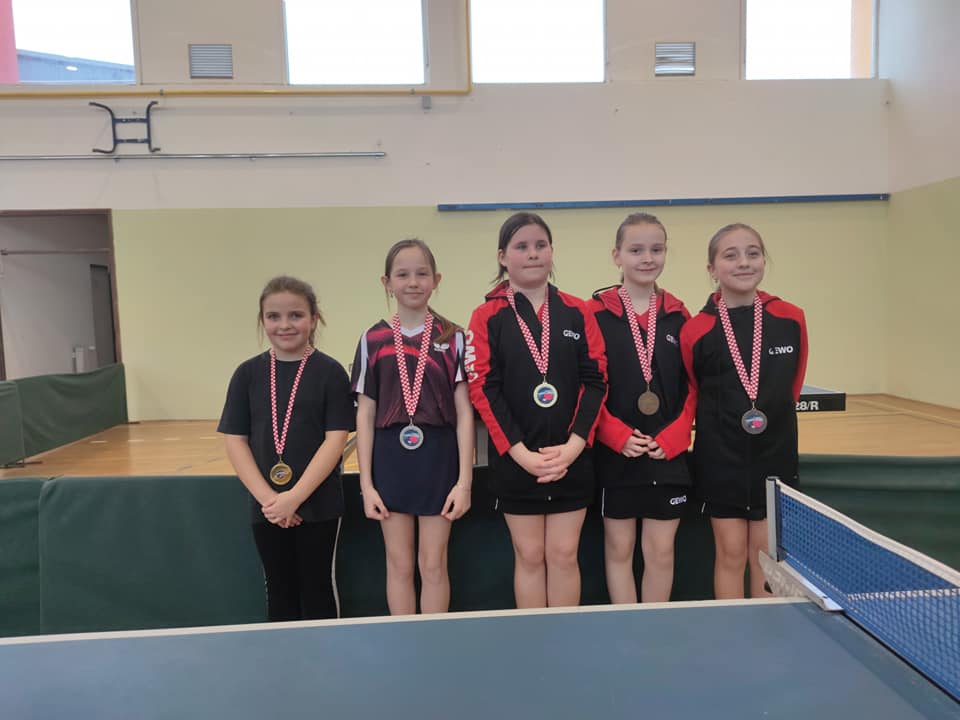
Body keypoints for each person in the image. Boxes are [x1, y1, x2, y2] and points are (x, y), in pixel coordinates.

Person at [466, 212, 607, 609]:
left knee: (564, 554)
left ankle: (565, 638)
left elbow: (596, 381)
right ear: (502, 257)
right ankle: (535, 638)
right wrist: (521, 453)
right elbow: (483, 388)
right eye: (521, 247)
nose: (532, 254)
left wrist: (574, 447)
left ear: (551, 252)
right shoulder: (486, 316)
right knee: (529, 556)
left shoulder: (578, 311)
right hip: (517, 460)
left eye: (540, 245)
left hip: (570, 458)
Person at [659, 223, 807, 599]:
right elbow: (696, 388)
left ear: (763, 261)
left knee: (766, 555)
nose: (744, 262)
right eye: (731, 255)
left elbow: (791, 387)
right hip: (720, 458)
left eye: (753, 253)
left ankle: (766, 629)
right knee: (730, 552)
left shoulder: (791, 318)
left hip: (775, 454)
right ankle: (731, 628)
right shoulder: (696, 330)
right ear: (712, 269)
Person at [219, 275, 354, 621]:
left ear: (314, 319)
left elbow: (335, 440)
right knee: (279, 590)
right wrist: (272, 501)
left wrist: (294, 498)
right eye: (273, 316)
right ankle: (284, 655)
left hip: (319, 504)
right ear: (262, 320)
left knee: (318, 587)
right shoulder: (247, 374)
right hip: (266, 508)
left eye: (296, 315)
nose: (284, 325)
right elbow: (235, 441)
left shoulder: (331, 373)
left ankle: (326, 652)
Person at [352, 239, 474, 615]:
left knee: (433, 564)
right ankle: (404, 640)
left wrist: (464, 482)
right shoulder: (372, 340)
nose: (413, 282)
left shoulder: (453, 336)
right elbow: (365, 415)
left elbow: (465, 413)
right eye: (402, 274)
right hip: (390, 460)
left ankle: (433, 639)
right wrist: (367, 485)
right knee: (399, 565)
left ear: (436, 280)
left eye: (422, 273)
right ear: (387, 282)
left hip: (439, 458)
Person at [589, 212, 693, 603]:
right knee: (619, 549)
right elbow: (586, 386)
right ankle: (627, 626)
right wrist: (613, 434)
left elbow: (693, 387)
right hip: (617, 454)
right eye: (636, 250)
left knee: (661, 551)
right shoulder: (593, 314)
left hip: (667, 454)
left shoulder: (680, 315)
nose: (647, 258)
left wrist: (676, 436)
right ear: (616, 255)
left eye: (656, 249)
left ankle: (655, 627)